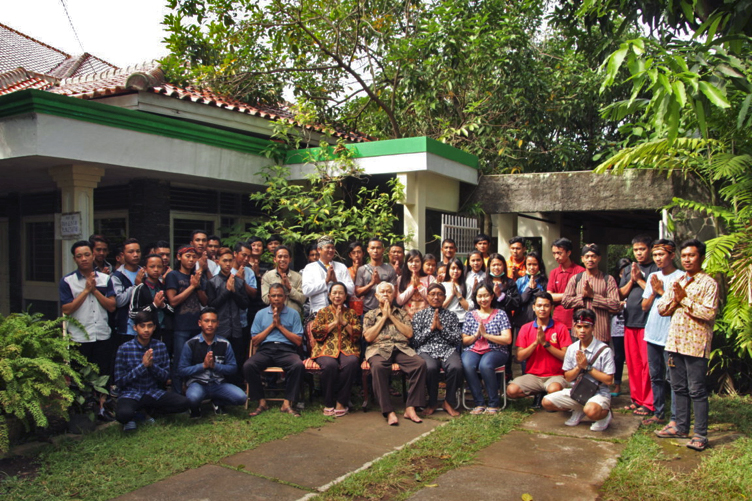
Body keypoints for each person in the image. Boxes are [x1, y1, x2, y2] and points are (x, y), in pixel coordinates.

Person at [655, 239, 718, 451]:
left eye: (691, 255)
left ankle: (700, 434)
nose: (687, 259)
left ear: (700, 257)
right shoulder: (679, 280)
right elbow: (662, 309)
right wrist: (676, 298)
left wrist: (684, 300)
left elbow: (708, 314)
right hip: (675, 343)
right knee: (678, 387)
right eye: (684, 256)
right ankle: (680, 426)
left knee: (697, 390)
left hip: (696, 345)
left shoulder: (709, 283)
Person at [114, 310, 189, 432]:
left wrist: (151, 366)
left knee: (184, 403)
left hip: (152, 392)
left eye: (149, 326)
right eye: (142, 326)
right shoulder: (124, 348)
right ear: (135, 328)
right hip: (131, 393)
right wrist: (142, 366)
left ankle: (146, 412)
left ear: (154, 327)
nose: (146, 330)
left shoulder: (160, 346)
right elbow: (120, 381)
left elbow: (165, 377)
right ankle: (138, 414)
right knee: (123, 415)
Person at [363, 282, 427, 425]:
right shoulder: (370, 315)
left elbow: (409, 334)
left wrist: (391, 316)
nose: (386, 294)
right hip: (378, 349)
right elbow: (368, 337)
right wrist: (383, 317)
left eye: (389, 292)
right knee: (379, 367)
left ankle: (411, 407)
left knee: (420, 364)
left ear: (393, 295)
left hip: (400, 348)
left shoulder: (402, 313)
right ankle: (388, 411)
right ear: (376, 295)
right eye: (383, 292)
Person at [60, 240, 117, 398]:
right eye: (79, 256)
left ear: (93, 255)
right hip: (80, 336)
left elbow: (112, 306)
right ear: (74, 259)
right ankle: (84, 409)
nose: (83, 258)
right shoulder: (67, 281)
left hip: (102, 334)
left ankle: (102, 408)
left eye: (87, 254)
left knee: (103, 374)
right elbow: (67, 309)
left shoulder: (105, 279)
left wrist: (95, 291)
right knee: (80, 377)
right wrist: (85, 291)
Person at [542, 308, 615, 431]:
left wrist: (588, 367)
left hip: (598, 392)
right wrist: (578, 367)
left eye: (586, 327)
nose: (582, 331)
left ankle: (605, 415)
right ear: (574, 327)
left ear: (593, 328)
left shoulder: (604, 350)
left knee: (591, 411)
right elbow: (568, 377)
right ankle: (579, 409)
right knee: (546, 402)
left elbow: (609, 380)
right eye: (579, 326)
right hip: (577, 391)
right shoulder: (572, 348)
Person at [244, 283, 305, 417]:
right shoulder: (261, 314)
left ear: (285, 297)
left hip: (286, 349)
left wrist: (280, 326)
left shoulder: (293, 314)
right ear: (269, 297)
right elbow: (255, 341)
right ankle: (261, 402)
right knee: (249, 365)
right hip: (266, 349)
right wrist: (272, 325)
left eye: (279, 295)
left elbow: (298, 341)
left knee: (298, 365)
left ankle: (287, 403)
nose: (276, 298)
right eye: (273, 296)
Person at [178, 308, 247, 417]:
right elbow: (182, 370)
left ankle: (218, 402)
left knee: (241, 397)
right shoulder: (190, 344)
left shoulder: (224, 343)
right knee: (192, 398)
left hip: (218, 384)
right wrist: (203, 366)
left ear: (218, 323)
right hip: (198, 384)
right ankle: (196, 408)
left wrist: (215, 366)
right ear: (200, 323)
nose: (210, 324)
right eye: (206, 321)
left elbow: (233, 368)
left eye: (213, 321)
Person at [642, 239, 682, 426]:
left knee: (673, 378)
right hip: (652, 333)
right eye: (655, 255)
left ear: (672, 255)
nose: (657, 258)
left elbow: (680, 307)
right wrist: (653, 292)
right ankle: (659, 413)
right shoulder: (653, 276)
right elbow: (644, 306)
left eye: (661, 254)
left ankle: (675, 417)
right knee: (655, 375)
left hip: (671, 335)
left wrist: (661, 291)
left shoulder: (682, 278)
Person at [619, 235, 659, 417]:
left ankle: (649, 402)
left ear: (649, 249)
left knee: (647, 364)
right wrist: (632, 280)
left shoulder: (656, 269)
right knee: (633, 364)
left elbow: (658, 293)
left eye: (642, 249)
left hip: (647, 323)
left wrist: (641, 280)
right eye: (636, 250)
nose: (639, 253)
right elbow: (621, 294)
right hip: (629, 321)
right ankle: (636, 399)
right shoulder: (628, 269)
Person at [507, 292, 571, 401]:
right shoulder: (525, 328)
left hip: (555, 375)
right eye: (539, 305)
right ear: (534, 307)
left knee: (554, 390)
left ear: (551, 308)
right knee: (511, 391)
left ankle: (545, 395)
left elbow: (566, 356)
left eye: (546, 306)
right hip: (533, 376)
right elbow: (519, 357)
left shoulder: (561, 327)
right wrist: (535, 343)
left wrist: (546, 344)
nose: (542, 309)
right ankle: (540, 392)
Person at [310, 282, 362, 417]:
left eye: (340, 293)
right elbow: (316, 333)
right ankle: (328, 402)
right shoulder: (323, 312)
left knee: (351, 363)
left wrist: (344, 323)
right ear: (329, 295)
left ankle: (341, 401)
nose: (337, 296)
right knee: (329, 365)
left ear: (345, 296)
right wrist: (334, 323)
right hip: (326, 348)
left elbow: (357, 334)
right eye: (334, 293)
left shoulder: (351, 313)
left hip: (347, 348)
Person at [412, 283, 463, 417]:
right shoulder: (419, 316)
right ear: (427, 297)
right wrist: (430, 329)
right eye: (433, 294)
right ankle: (432, 402)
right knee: (430, 368)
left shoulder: (451, 316)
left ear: (444, 297)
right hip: (426, 350)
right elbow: (415, 341)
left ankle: (449, 402)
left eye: (440, 294)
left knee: (456, 368)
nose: (436, 297)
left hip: (447, 349)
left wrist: (441, 328)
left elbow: (457, 340)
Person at [461, 283, 512, 414]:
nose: (483, 299)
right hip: (473, 349)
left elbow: (507, 339)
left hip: (496, 350)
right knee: (467, 364)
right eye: (480, 296)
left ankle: (493, 403)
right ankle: (479, 403)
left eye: (486, 296)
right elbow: (465, 341)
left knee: (485, 365)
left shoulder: (501, 314)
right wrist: (476, 335)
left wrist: (486, 335)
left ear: (492, 296)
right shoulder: (470, 315)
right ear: (476, 298)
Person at [165, 245, 208, 392]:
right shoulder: (173, 276)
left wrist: (197, 285)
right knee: (179, 361)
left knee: (196, 361)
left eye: (193, 257)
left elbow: (204, 301)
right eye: (187, 256)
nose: (191, 259)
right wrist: (191, 286)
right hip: (180, 327)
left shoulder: (197, 276)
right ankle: (177, 394)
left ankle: (194, 392)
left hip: (196, 325)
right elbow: (173, 301)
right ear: (179, 257)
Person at [207, 247, 249, 383]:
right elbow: (212, 305)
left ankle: (236, 383)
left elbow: (244, 304)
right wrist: (226, 291)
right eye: (224, 261)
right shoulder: (212, 282)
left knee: (237, 356)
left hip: (236, 326)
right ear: (218, 262)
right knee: (220, 356)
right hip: (220, 327)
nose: (228, 264)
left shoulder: (239, 281)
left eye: (230, 260)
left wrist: (234, 291)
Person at [562, 244, 620, 342]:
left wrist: (594, 297)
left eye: (593, 256)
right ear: (582, 259)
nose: (590, 259)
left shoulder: (608, 279)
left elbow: (616, 304)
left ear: (599, 258)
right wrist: (582, 296)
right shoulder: (576, 279)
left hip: (600, 332)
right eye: (587, 256)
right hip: (579, 333)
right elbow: (565, 302)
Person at [303, 236, 356, 316]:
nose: (331, 250)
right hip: (318, 312)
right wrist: (326, 281)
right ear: (319, 250)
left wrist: (336, 282)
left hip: (340, 312)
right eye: (327, 247)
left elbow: (351, 290)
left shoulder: (341, 267)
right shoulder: (310, 268)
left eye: (333, 248)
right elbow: (306, 291)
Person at [127, 254, 173, 341]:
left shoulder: (165, 287)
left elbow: (174, 310)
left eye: (159, 267)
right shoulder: (139, 288)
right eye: (152, 266)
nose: (156, 270)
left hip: (165, 331)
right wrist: (154, 305)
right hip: (146, 334)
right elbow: (132, 314)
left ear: (163, 269)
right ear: (145, 269)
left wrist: (163, 305)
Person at [111, 238, 144, 346]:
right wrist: (135, 286)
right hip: (127, 328)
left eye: (138, 251)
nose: (135, 255)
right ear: (123, 254)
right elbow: (119, 301)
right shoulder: (117, 276)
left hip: (146, 327)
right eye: (131, 252)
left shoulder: (145, 273)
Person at [547, 238, 585, 330]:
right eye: (554, 253)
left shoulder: (581, 271)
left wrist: (558, 296)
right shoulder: (554, 273)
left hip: (576, 321)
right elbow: (549, 296)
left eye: (559, 253)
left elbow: (582, 296)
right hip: (557, 321)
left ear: (568, 253)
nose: (556, 256)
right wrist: (568, 295)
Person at [354, 237, 397, 314]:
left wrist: (379, 282)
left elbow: (394, 293)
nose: (375, 251)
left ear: (383, 250)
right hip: (367, 310)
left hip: (386, 310)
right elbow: (357, 293)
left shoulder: (390, 269)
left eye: (378, 248)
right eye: (372, 248)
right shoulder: (362, 269)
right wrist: (372, 283)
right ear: (368, 250)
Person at [261, 245, 306, 316]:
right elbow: (265, 299)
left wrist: (290, 289)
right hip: (273, 315)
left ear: (290, 259)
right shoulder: (267, 276)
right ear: (275, 259)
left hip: (293, 316)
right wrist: (279, 288)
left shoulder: (298, 277)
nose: (282, 259)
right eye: (280, 257)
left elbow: (302, 299)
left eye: (285, 257)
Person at [514, 252, 548, 330]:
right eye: (529, 264)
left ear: (539, 265)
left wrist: (536, 290)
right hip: (521, 322)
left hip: (540, 322)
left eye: (535, 264)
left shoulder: (545, 282)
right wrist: (528, 290)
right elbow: (517, 301)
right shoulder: (520, 281)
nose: (532, 267)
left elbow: (546, 301)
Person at [396, 250, 435, 318]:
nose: (414, 264)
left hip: (426, 318)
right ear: (406, 263)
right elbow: (399, 301)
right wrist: (412, 287)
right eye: (411, 261)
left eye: (417, 261)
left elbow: (432, 299)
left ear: (421, 263)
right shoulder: (401, 279)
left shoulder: (430, 278)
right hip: (406, 318)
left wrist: (419, 286)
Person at [484, 253, 520, 320]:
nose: (496, 268)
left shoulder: (510, 283)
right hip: (488, 319)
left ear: (504, 266)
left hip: (506, 319)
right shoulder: (484, 283)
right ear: (489, 267)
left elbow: (516, 304)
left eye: (499, 265)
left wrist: (500, 295)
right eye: (494, 265)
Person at [443, 257, 470, 325]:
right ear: (448, 270)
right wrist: (452, 295)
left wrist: (457, 293)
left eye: (458, 268)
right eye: (453, 268)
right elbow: (440, 307)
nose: (455, 271)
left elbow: (468, 307)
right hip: (446, 320)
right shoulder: (442, 286)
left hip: (462, 320)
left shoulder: (467, 286)